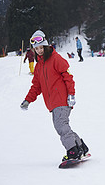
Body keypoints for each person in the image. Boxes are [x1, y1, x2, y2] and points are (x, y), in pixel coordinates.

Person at [20, 30, 89, 162]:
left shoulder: (56, 59)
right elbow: (36, 86)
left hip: (62, 100)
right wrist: (28, 100)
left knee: (61, 126)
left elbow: (68, 78)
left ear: (46, 46)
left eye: (41, 47)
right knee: (63, 126)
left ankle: (72, 151)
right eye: (36, 48)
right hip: (52, 103)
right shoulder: (39, 66)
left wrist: (71, 95)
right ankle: (81, 147)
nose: (39, 51)